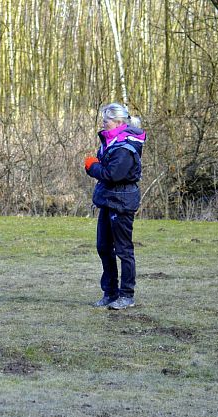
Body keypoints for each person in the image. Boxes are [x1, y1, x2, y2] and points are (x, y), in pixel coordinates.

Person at [84, 103, 146, 310]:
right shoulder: (111, 142)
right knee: (103, 247)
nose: (102, 124)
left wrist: (92, 166)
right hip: (108, 201)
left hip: (122, 202)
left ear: (119, 122)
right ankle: (110, 293)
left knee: (123, 250)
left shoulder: (125, 147)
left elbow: (113, 174)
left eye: (105, 121)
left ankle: (126, 295)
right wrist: (97, 165)